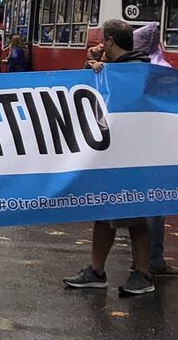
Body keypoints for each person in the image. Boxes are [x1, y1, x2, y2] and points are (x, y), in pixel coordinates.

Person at [64, 19, 162, 296]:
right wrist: (91, 67)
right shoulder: (120, 69)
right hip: (114, 152)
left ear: (108, 41)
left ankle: (142, 273)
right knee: (106, 211)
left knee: (134, 215)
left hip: (130, 155)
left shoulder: (133, 70)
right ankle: (97, 270)